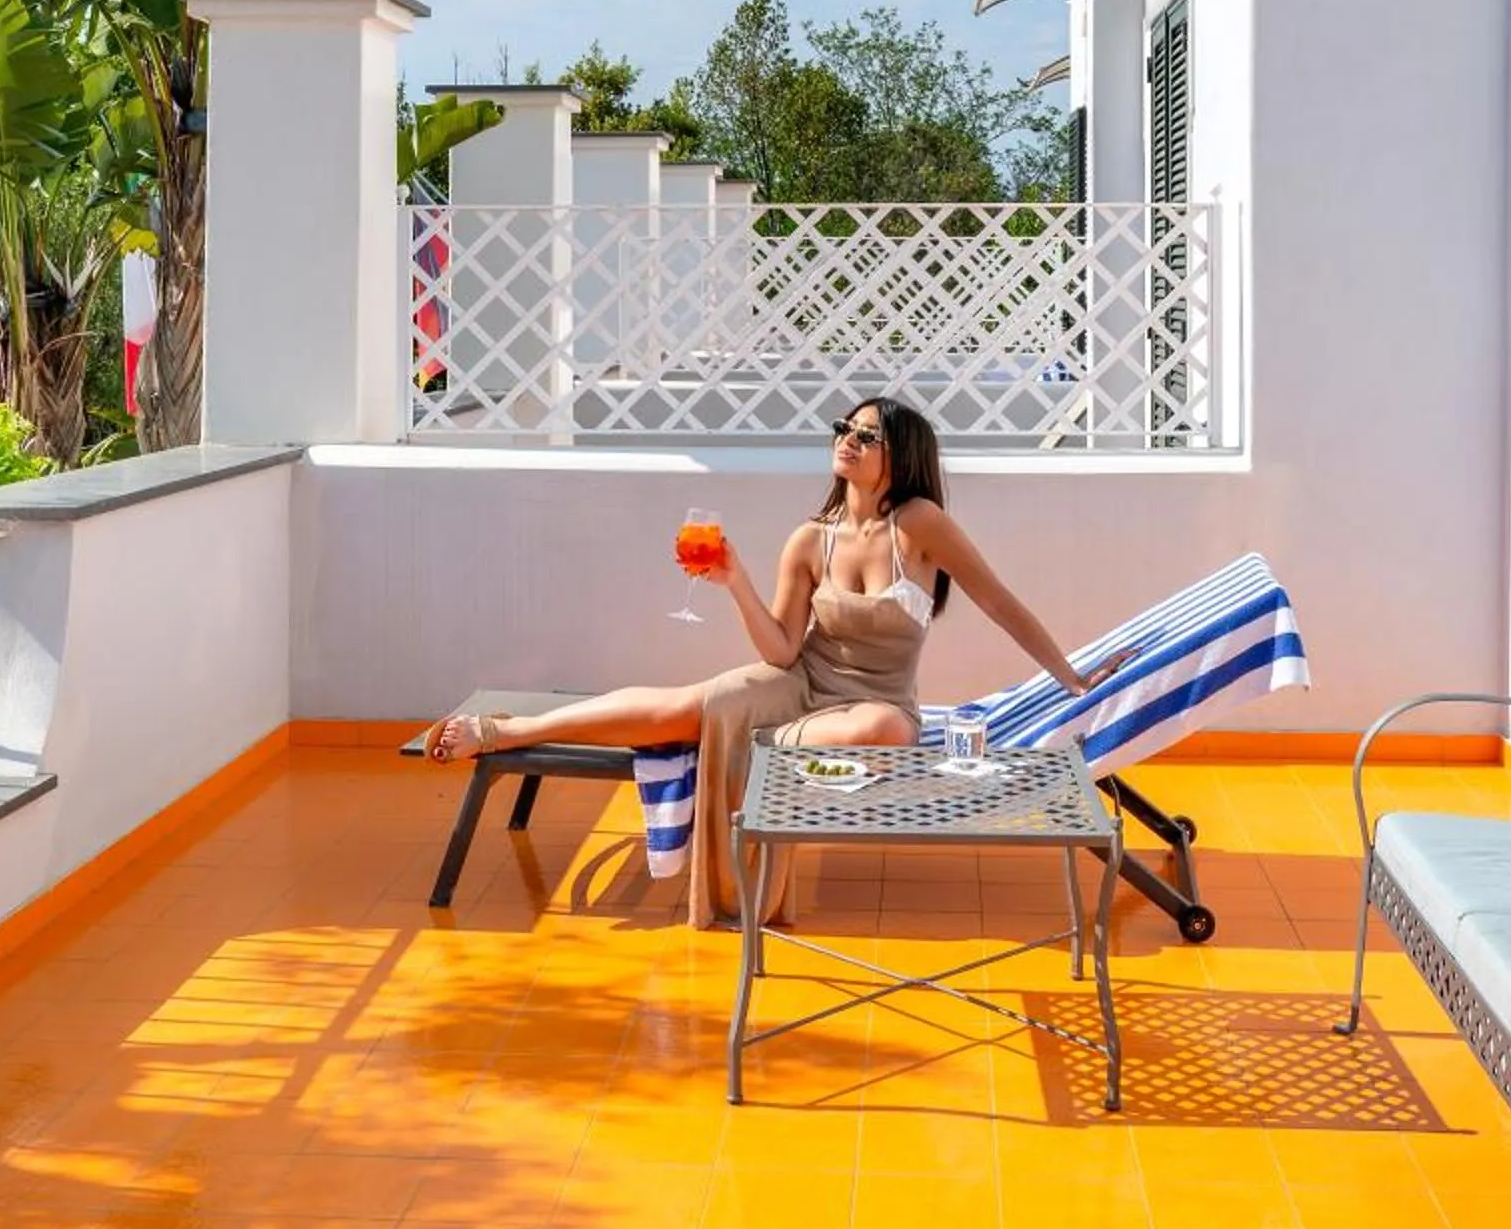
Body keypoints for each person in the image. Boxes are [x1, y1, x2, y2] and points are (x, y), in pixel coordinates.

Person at [424, 396, 1125, 927]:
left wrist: (1072, 677)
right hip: (797, 686)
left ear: (900, 455)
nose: (847, 441)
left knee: (883, 733)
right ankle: (505, 731)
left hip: (873, 702)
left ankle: (743, 750)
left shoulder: (919, 525)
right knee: (681, 706)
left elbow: (999, 602)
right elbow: (782, 650)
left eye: (866, 435)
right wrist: (736, 583)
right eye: (844, 430)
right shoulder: (808, 539)